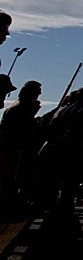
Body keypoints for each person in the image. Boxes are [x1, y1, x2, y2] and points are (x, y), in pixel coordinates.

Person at [0, 80, 42, 217]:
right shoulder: (21, 108)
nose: (40, 93)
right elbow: (22, 130)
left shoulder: (18, 107)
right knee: (12, 179)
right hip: (14, 148)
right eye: (37, 91)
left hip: (13, 148)